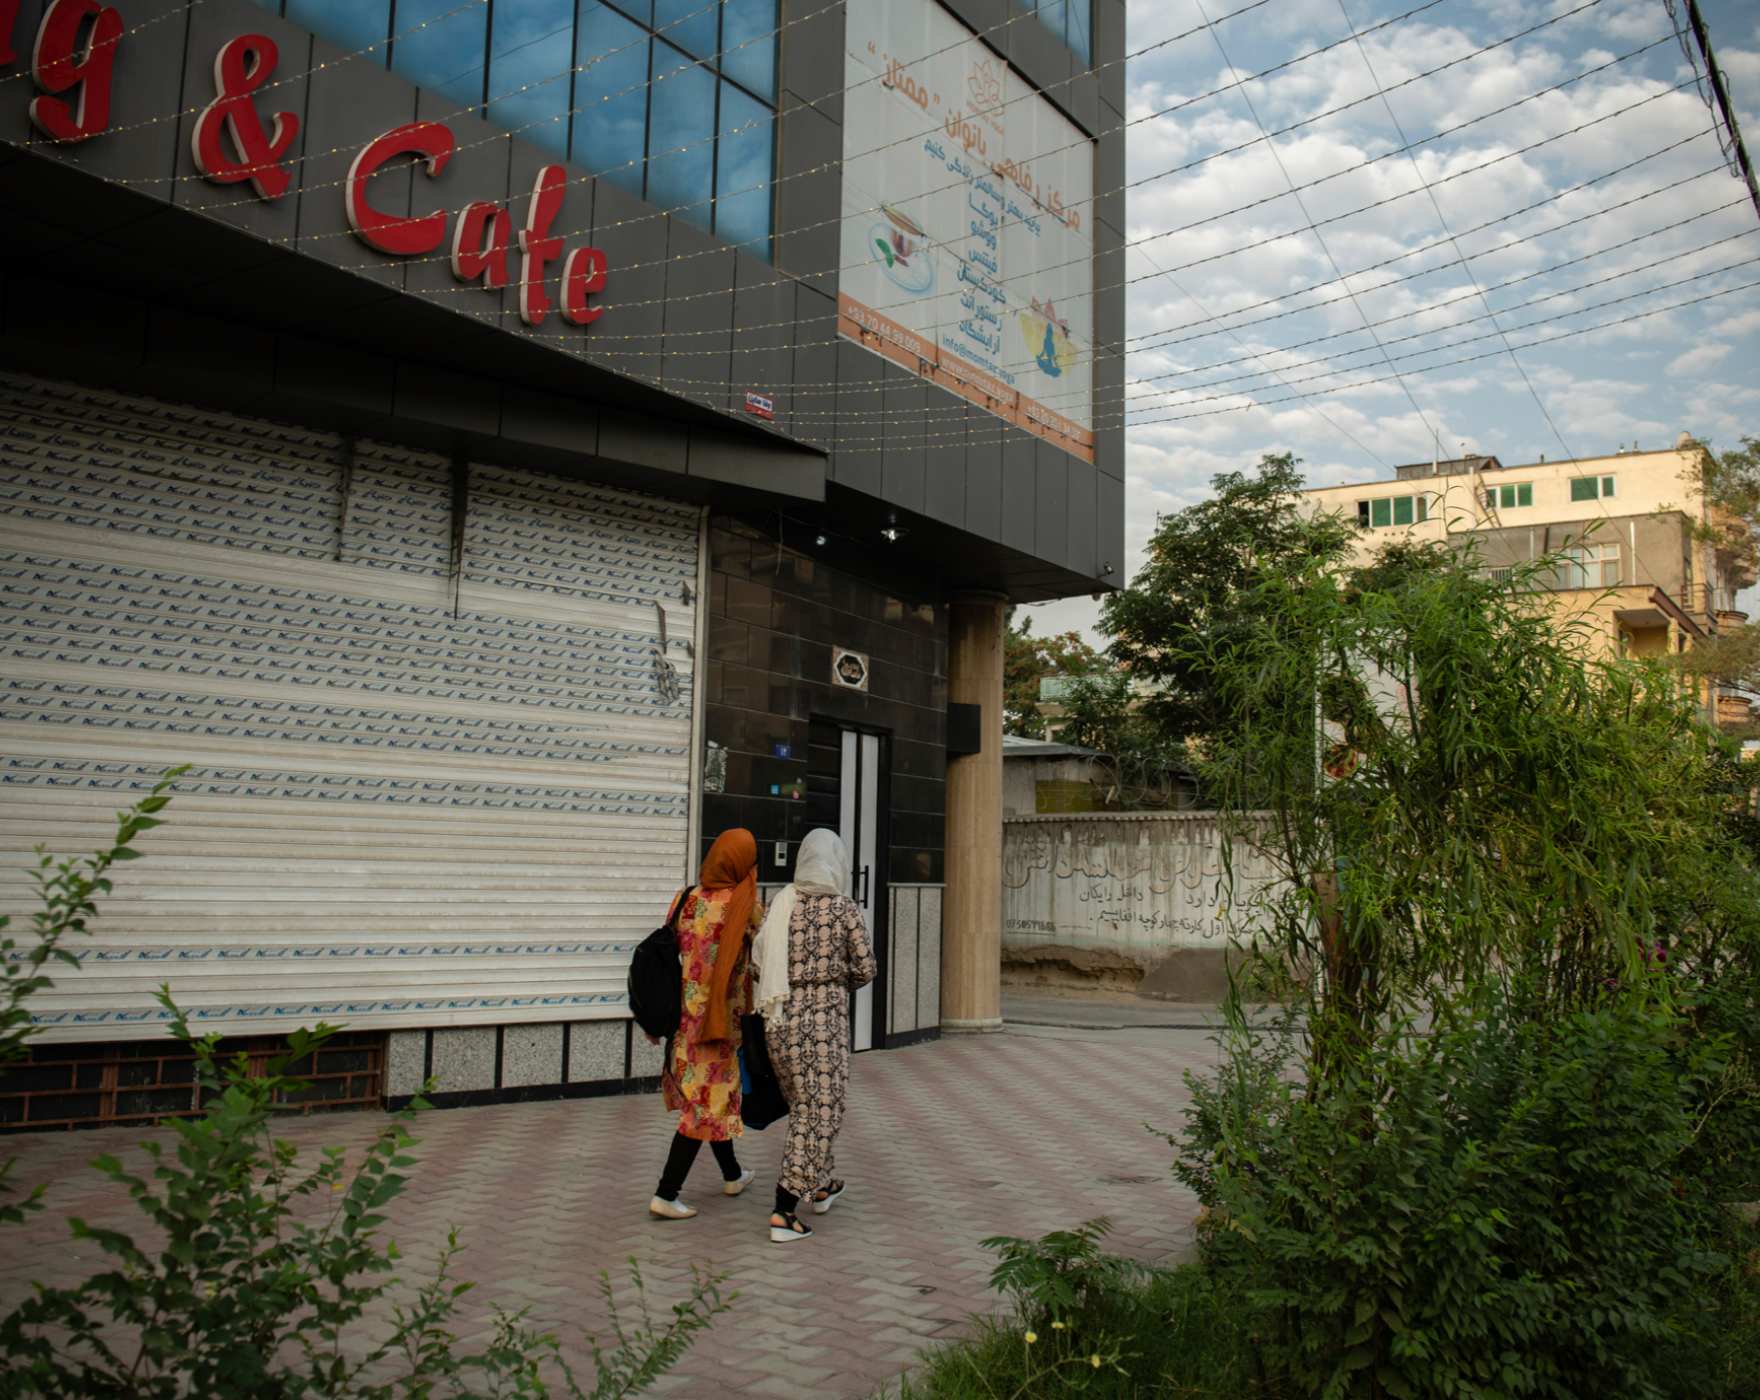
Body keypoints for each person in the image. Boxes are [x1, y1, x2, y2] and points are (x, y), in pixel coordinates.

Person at [751, 827, 877, 1243]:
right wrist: (832, 985)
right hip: (823, 1026)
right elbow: (865, 967)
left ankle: (820, 1184)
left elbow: (757, 965)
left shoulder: (780, 905)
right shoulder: (843, 909)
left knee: (804, 1104)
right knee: (820, 1111)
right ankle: (784, 1209)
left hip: (780, 1023)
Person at [649, 827, 764, 1220]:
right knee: (703, 1108)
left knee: (709, 1100)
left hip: (684, 1023)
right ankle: (666, 1193)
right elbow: (761, 956)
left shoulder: (685, 899)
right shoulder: (745, 904)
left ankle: (733, 1174)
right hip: (718, 1027)